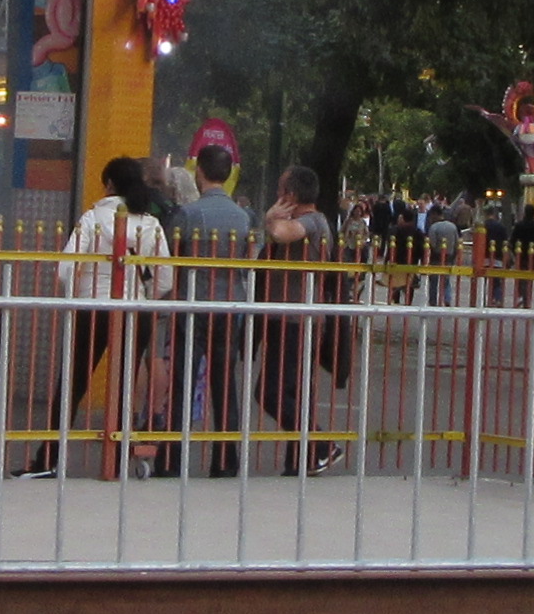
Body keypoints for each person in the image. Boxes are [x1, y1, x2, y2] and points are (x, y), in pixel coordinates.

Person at [18, 155, 172, 478]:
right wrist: (143, 297)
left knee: (72, 384)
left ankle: (48, 459)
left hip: (94, 309)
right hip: (134, 311)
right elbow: (165, 279)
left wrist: (80, 294)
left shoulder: (92, 219)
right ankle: (116, 460)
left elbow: (65, 270)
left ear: (109, 184)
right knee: (124, 387)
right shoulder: (151, 225)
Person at [171, 122, 260, 471]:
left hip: (193, 304)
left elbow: (173, 255)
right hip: (229, 305)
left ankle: (172, 457)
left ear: (200, 172)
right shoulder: (243, 217)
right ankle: (226, 459)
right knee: (225, 384)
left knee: (183, 381)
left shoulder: (189, 213)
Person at [258, 160, 347, 470]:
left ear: (291, 195)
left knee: (270, 392)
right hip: (288, 317)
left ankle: (322, 444)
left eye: (281, 191)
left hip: (296, 320)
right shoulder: (313, 222)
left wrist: (271, 217)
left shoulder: (312, 222)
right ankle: (303, 458)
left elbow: (281, 233)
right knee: (294, 393)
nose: (276, 195)